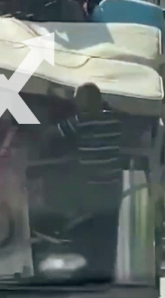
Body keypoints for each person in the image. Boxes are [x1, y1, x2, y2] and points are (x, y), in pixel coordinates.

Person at [47, 83, 123, 282]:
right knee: (106, 231)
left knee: (85, 229)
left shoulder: (82, 121)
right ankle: (104, 270)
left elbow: (54, 133)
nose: (75, 103)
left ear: (86, 101)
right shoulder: (113, 119)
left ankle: (85, 269)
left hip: (92, 187)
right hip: (113, 187)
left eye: (78, 99)